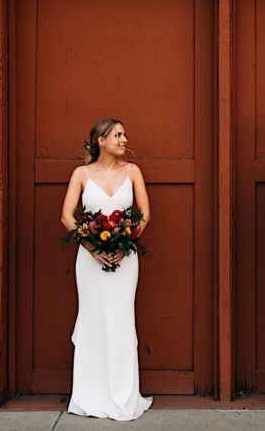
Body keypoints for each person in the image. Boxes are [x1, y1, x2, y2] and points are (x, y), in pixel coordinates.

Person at [60, 118, 152, 421]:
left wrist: (125, 244)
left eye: (124, 134)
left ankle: (123, 396)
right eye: (118, 135)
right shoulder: (81, 174)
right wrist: (93, 248)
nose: (125, 140)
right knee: (92, 318)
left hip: (125, 259)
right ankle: (89, 394)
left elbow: (144, 215)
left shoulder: (133, 172)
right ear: (101, 140)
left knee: (121, 320)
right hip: (89, 261)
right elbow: (67, 217)